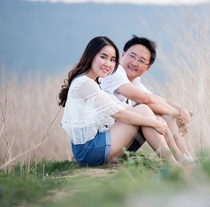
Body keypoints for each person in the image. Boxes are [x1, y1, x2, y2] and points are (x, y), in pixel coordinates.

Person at [58, 36, 181, 167]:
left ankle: (179, 159)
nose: (108, 64)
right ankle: (175, 164)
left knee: (146, 111)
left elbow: (121, 107)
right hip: (88, 152)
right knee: (145, 111)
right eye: (103, 57)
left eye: (112, 60)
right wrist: (153, 122)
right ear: (91, 55)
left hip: (97, 147)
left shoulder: (95, 83)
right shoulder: (84, 83)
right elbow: (118, 113)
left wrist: (157, 120)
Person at [100, 35, 194, 162]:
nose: (134, 63)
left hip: (120, 141)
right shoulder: (114, 72)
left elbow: (159, 101)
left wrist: (184, 112)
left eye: (141, 60)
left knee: (163, 112)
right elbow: (146, 100)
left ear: (147, 67)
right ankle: (178, 159)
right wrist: (177, 114)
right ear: (122, 54)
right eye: (132, 56)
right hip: (104, 142)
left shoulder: (135, 82)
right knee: (147, 111)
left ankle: (186, 157)